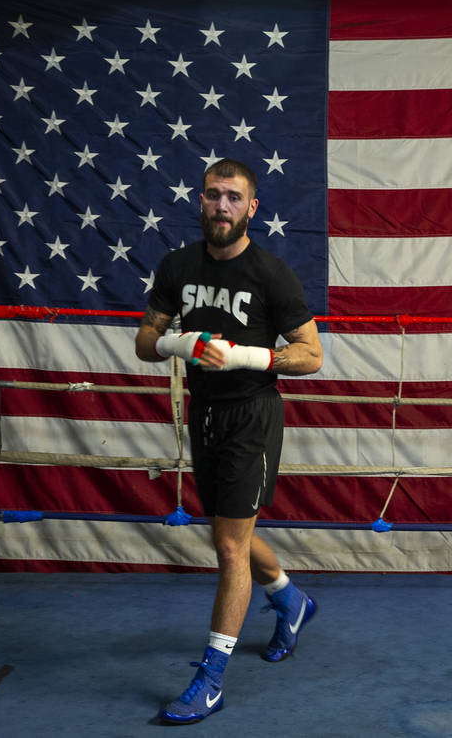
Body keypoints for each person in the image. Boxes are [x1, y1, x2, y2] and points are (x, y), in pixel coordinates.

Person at [134, 158, 324, 725]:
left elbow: (313, 355)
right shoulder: (177, 264)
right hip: (206, 414)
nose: (223, 206)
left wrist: (248, 355)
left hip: (251, 417)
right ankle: (290, 599)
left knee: (229, 548)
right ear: (200, 200)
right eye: (214, 195)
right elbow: (144, 340)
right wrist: (180, 344)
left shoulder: (271, 273)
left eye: (234, 197)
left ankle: (211, 679)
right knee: (227, 533)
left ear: (252, 207)